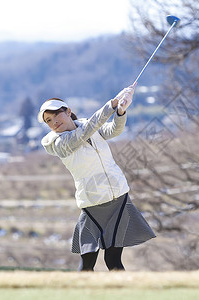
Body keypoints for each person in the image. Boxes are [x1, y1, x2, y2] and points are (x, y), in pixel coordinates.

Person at [37, 84, 156, 271]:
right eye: (48, 121)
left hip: (118, 197)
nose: (53, 123)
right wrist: (111, 105)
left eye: (55, 116)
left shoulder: (87, 127)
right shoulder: (59, 143)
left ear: (68, 112)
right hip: (93, 204)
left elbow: (112, 131)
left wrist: (121, 111)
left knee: (114, 259)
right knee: (87, 263)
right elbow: (85, 133)